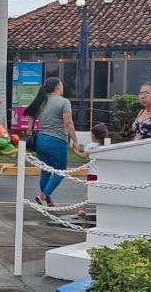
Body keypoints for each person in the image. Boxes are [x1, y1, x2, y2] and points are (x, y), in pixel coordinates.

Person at [25, 77, 79, 207]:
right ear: (57, 87)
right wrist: (75, 141)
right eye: (61, 84)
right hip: (56, 141)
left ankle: (47, 200)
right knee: (60, 171)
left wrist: (29, 129)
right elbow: (68, 123)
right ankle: (43, 196)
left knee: (46, 171)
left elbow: (31, 117)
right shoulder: (64, 102)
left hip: (41, 140)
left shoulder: (42, 101)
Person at [72, 123, 108, 219]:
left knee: (88, 192)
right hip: (103, 173)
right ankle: (105, 210)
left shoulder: (90, 146)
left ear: (94, 135)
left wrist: (75, 151)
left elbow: (83, 156)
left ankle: (82, 209)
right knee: (104, 191)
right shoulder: (106, 145)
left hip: (92, 173)